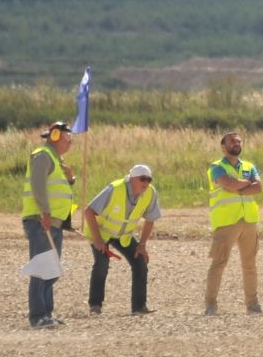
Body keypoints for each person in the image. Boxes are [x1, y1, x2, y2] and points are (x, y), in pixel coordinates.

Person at [82, 164, 161, 316]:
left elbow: (150, 219)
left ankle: (139, 307)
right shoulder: (115, 189)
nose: (146, 183)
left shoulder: (150, 193)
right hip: (101, 232)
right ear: (132, 179)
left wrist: (142, 245)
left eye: (149, 180)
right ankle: (95, 305)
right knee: (102, 263)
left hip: (124, 235)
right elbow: (88, 211)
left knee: (140, 261)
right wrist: (97, 240)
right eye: (142, 179)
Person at [20, 120, 77, 329]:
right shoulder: (43, 155)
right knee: (42, 267)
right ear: (54, 136)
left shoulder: (54, 159)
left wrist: (71, 179)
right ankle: (37, 316)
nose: (70, 140)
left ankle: (47, 313)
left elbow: (58, 190)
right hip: (41, 220)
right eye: (66, 136)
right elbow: (37, 185)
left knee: (51, 269)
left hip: (54, 222)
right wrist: (44, 211)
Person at [205, 129, 263, 316]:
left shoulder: (248, 165)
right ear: (223, 146)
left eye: (238, 141)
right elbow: (227, 183)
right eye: (232, 141)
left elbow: (259, 187)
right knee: (219, 263)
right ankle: (211, 304)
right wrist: (244, 184)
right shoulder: (216, 167)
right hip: (226, 222)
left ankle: (252, 304)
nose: (236, 143)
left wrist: (237, 187)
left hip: (248, 221)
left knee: (250, 264)